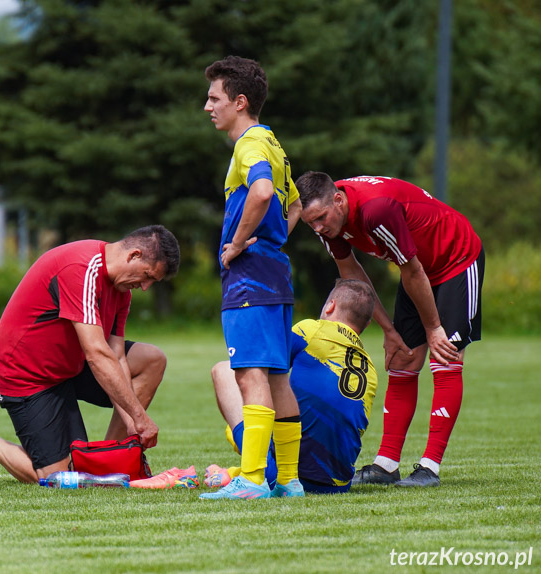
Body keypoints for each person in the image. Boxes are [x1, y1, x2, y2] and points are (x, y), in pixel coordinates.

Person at [0, 226, 180, 484]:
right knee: (61, 478)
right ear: (134, 255)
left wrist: (133, 421)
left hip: (69, 366)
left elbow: (118, 357)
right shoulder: (81, 268)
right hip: (25, 376)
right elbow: (96, 354)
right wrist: (140, 418)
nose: (145, 287)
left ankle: (108, 464)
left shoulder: (122, 290)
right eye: (148, 276)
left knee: (151, 359)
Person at [295, 172, 484, 487]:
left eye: (321, 218)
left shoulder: (376, 210)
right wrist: (388, 331)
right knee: (403, 358)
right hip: (417, 270)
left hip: (456, 259)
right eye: (310, 223)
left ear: (338, 200)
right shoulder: (328, 223)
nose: (317, 228)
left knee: (446, 357)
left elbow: (410, 269)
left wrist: (434, 328)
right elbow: (353, 280)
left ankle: (430, 468)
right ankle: (386, 465)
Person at [198, 56, 304, 501]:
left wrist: (240, 243)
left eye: (214, 97)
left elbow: (261, 192)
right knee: (278, 377)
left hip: (251, 277)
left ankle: (253, 480)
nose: (207, 106)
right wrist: (271, 241)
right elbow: (293, 204)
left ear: (240, 102)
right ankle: (290, 481)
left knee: (250, 374)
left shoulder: (249, 145)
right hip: (276, 273)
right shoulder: (274, 144)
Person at [207, 279, 379, 494]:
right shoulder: (370, 368)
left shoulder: (312, 329)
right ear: (366, 324)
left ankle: (253, 471)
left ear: (330, 306)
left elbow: (261, 367)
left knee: (224, 371)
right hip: (337, 483)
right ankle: (241, 470)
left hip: (286, 476)